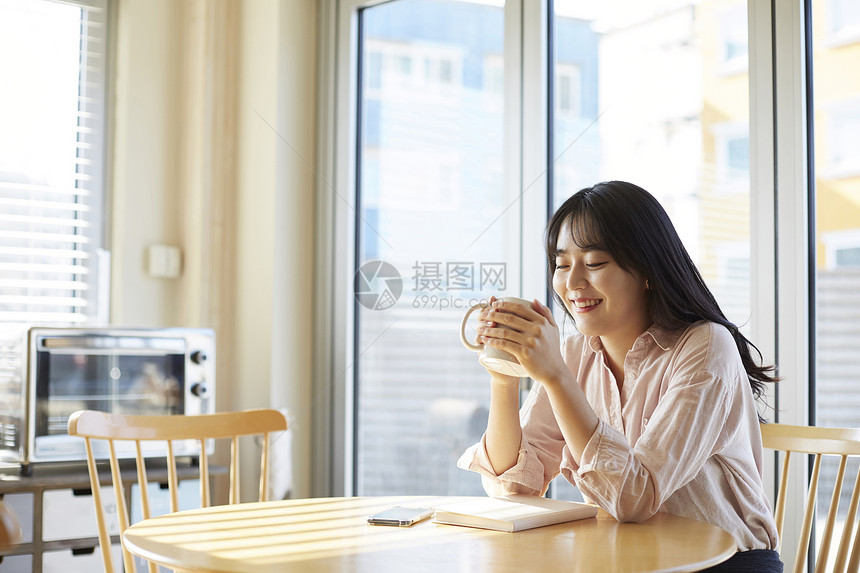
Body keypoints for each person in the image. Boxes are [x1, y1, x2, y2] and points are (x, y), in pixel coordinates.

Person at [458, 181, 783, 571]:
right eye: (562, 265)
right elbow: (513, 487)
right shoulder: (575, 352)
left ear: (647, 268)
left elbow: (635, 498)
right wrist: (505, 377)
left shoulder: (706, 346)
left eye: (594, 263)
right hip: (623, 559)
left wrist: (557, 377)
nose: (573, 283)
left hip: (723, 562)